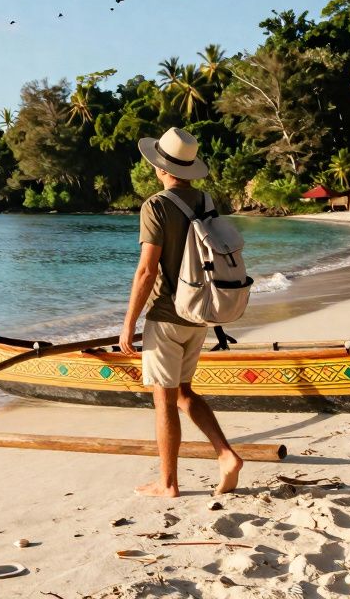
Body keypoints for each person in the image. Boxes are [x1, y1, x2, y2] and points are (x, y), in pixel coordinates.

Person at [119, 127, 244, 498]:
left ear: (161, 168)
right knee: (184, 393)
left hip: (166, 317)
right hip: (199, 313)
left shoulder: (155, 206)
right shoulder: (205, 201)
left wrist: (128, 324)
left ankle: (168, 483)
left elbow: (147, 271)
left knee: (164, 399)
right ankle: (226, 454)